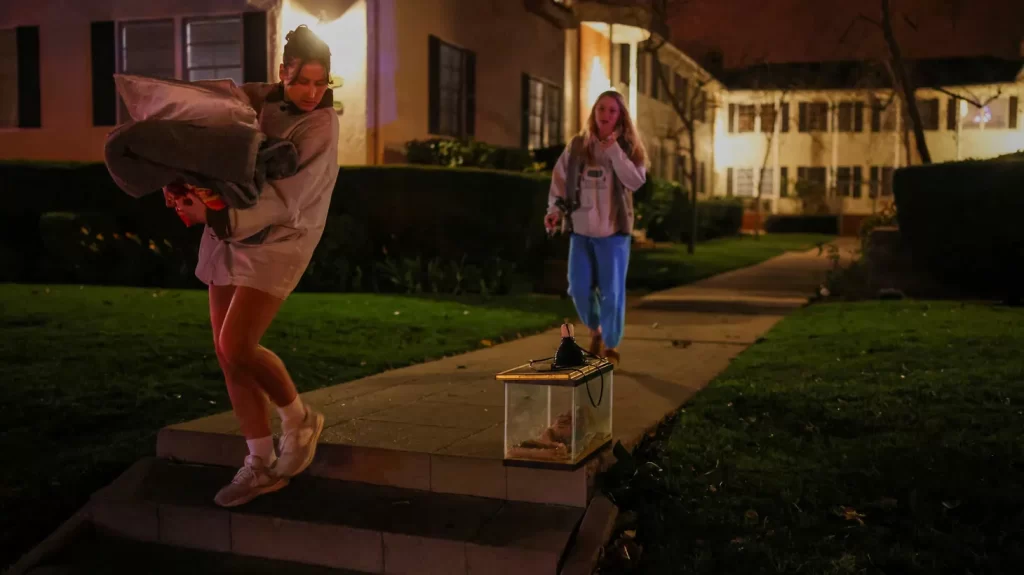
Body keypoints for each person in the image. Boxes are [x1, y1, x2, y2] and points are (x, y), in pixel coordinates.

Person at [170, 25, 339, 507]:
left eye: (321, 83)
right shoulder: (250, 101)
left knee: (236, 342)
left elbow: (291, 198)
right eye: (303, 81)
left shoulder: (322, 125)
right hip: (226, 232)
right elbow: (210, 146)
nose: (312, 93)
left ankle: (298, 418)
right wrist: (184, 187)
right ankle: (259, 462)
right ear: (283, 72)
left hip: (281, 238)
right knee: (228, 355)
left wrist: (218, 212)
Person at [544, 90, 647, 366]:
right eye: (601, 108)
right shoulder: (578, 145)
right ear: (594, 112)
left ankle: (610, 346)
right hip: (581, 232)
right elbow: (559, 181)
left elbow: (636, 180)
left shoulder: (628, 147)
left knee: (613, 294)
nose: (605, 115)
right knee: (578, 288)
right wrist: (554, 210)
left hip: (613, 236)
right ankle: (596, 329)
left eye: (612, 110)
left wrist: (613, 150)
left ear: (620, 116)